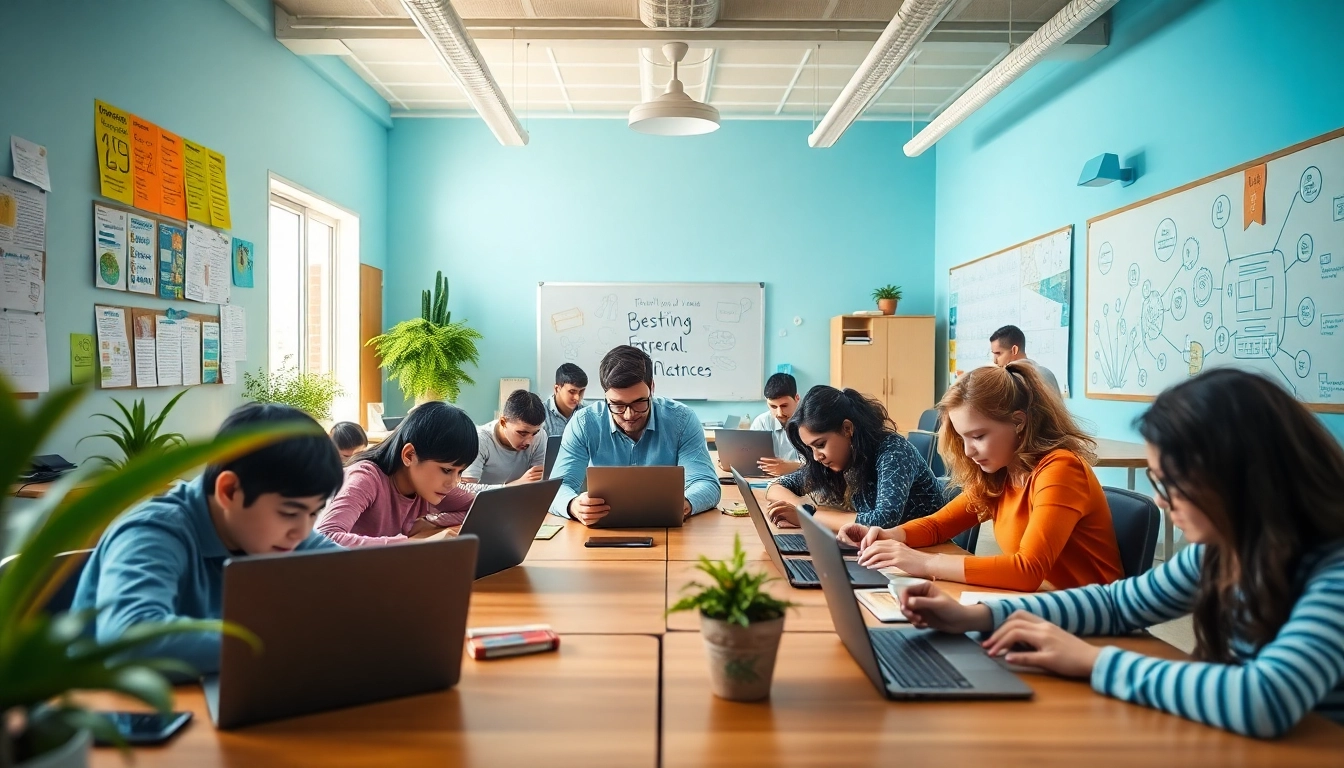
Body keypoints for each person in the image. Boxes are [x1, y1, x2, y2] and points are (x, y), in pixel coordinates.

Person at [894, 368, 1344, 738]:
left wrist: (1091, 660)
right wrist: (977, 617)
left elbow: (1265, 700)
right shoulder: (1221, 552)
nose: (1163, 500)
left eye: (1173, 482)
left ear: (1240, 478)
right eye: (1158, 482)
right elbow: (1117, 603)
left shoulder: (1334, 572)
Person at [71, 403, 346, 675]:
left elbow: (354, 578)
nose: (302, 531)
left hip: (211, 690)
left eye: (314, 513)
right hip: (105, 698)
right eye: (289, 513)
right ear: (229, 491)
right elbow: (129, 638)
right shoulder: (152, 531)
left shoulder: (279, 531)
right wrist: (279, 643)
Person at [845, 362, 1122, 591]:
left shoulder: (1061, 469)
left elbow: (1027, 570)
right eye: (963, 438)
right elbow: (938, 526)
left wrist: (924, 563)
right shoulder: (1002, 472)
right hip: (1046, 604)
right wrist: (889, 535)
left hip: (1095, 617)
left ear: (1018, 422)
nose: (969, 451)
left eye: (978, 436)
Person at [549, 345, 720, 525]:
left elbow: (706, 482)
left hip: (668, 530)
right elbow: (556, 488)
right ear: (605, 396)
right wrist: (573, 505)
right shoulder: (583, 423)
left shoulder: (682, 420)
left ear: (652, 387)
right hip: (602, 531)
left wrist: (685, 503)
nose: (629, 415)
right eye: (617, 404)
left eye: (639, 402)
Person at [764, 385, 942, 530]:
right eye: (810, 449)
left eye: (820, 444)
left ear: (847, 429)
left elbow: (883, 520)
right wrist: (799, 506)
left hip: (931, 552)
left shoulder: (893, 451)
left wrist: (808, 517)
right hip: (889, 549)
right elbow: (776, 486)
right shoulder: (843, 459)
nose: (816, 457)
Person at [317, 401, 477, 546]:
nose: (453, 482)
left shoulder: (425, 485)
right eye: (447, 470)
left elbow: (477, 509)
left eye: (460, 472)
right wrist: (409, 544)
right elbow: (325, 537)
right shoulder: (366, 478)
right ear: (409, 455)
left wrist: (431, 521)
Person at [461, 389, 547, 492]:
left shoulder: (540, 436)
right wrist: (514, 485)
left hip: (523, 499)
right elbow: (465, 490)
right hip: (486, 502)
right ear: (503, 422)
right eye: (522, 434)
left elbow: (539, 483)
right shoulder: (479, 440)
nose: (529, 441)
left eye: (534, 433)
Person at [747, 372, 802, 476]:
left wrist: (792, 467)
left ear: (797, 398)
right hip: (767, 478)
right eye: (773, 407)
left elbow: (821, 465)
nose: (779, 413)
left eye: (784, 406)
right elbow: (750, 458)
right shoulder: (761, 422)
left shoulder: (810, 422)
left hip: (803, 479)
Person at [990, 324, 1061, 395]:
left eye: (998, 353)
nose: (995, 361)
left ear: (1014, 350)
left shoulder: (1011, 380)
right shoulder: (1047, 373)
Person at [543, 363, 587, 436]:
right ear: (557, 389)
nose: (577, 397)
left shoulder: (586, 414)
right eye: (572, 391)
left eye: (581, 391)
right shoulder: (540, 414)